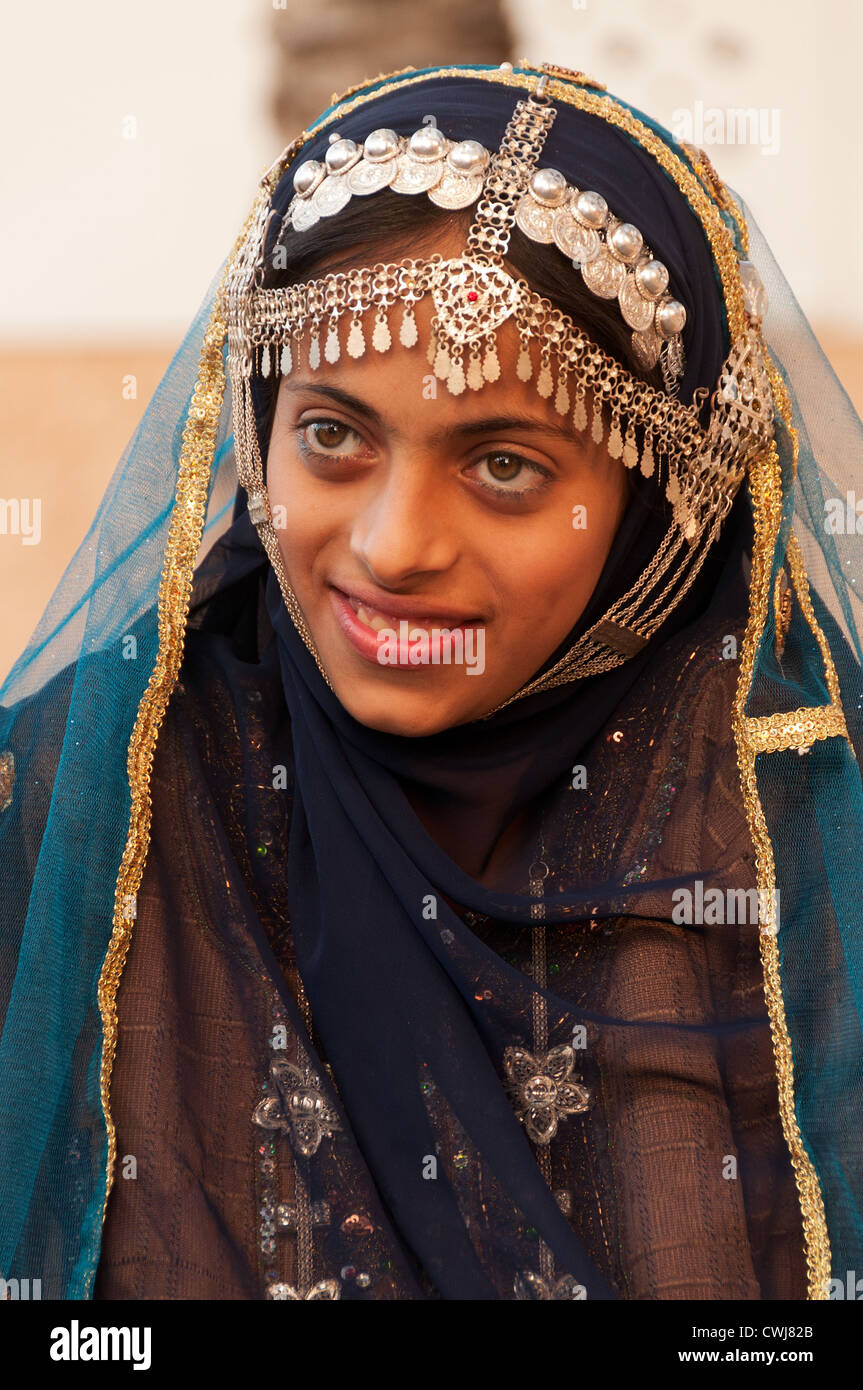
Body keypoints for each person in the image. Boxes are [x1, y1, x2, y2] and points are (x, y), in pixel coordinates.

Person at [2, 60, 862, 1303]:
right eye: (333, 436)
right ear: (255, 425)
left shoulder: (800, 854)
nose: (395, 546)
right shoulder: (83, 803)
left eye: (505, 464)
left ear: (658, 505)